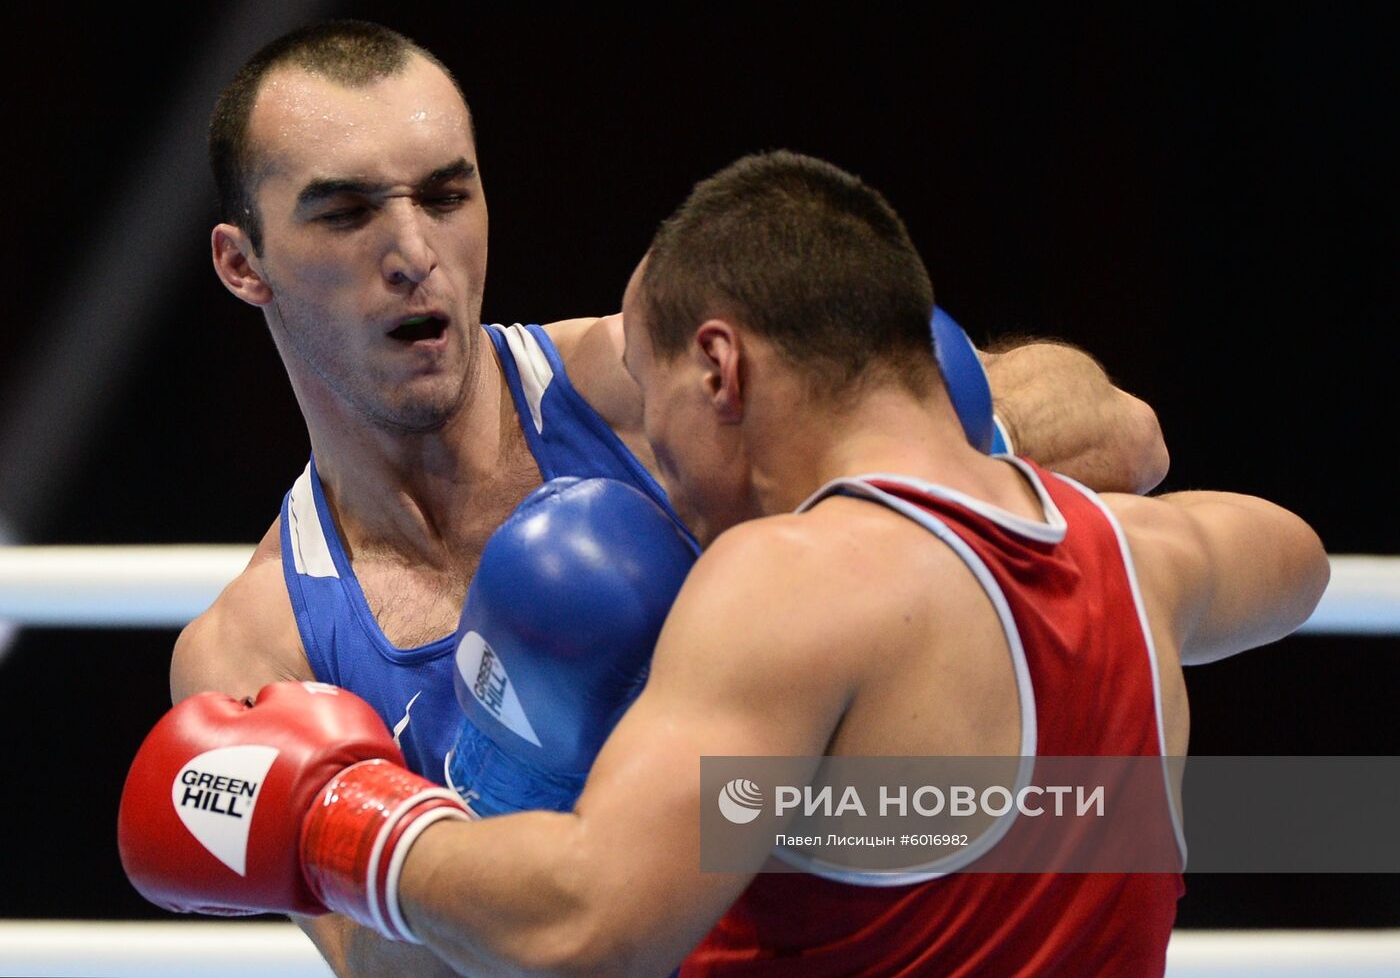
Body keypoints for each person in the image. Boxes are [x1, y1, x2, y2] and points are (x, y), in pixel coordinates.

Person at [124, 150, 1328, 976]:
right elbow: (1299, 560)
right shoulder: (1135, 553)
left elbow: (589, 923)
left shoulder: (786, 584)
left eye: (652, 403)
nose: (656, 460)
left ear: (720, 369)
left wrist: (340, 823)